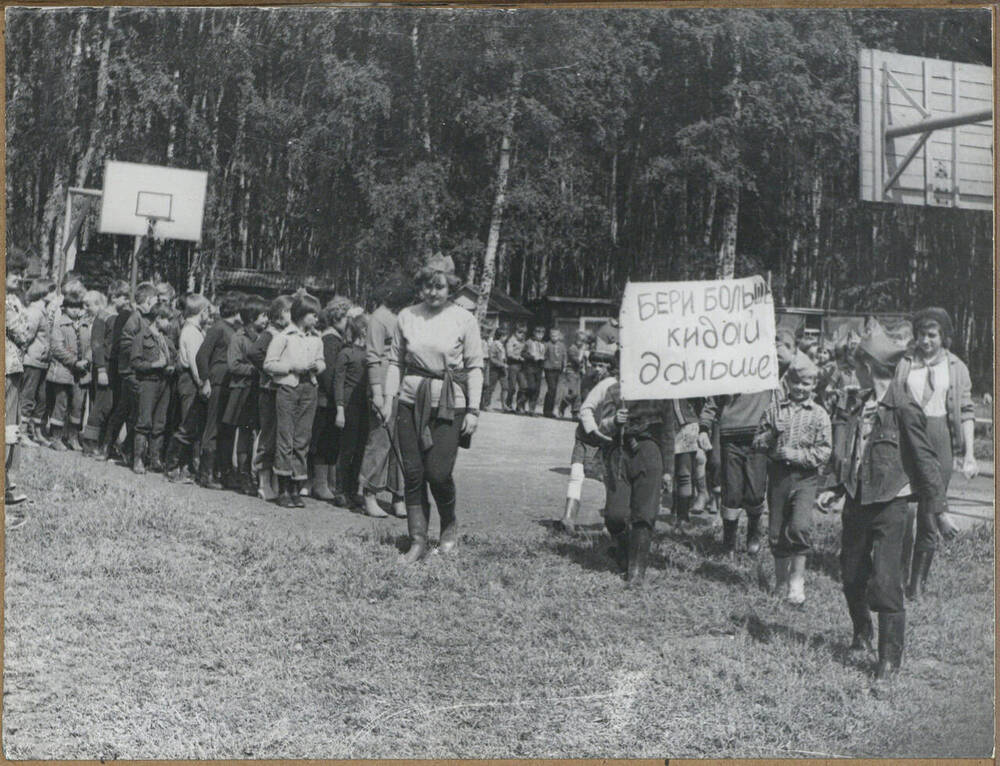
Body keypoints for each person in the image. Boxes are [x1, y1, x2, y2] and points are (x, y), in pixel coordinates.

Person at [818, 327, 954, 680]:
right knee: (851, 576)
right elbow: (848, 451)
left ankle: (888, 661)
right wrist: (834, 486)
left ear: (868, 365)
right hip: (857, 501)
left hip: (892, 503)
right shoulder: (855, 403)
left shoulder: (903, 406)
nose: (853, 371)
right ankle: (861, 632)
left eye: (857, 364)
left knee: (886, 581)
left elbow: (926, 459)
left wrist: (938, 509)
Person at [381, 254, 484, 563]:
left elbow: (475, 367)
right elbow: (395, 362)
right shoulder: (407, 316)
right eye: (427, 286)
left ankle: (449, 525)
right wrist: (388, 400)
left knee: (438, 473)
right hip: (410, 402)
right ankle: (417, 541)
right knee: (412, 474)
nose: (432, 293)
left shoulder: (464, 319)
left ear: (450, 287)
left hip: (450, 405)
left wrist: (474, 411)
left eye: (439, 287)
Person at [894, 307, 977, 599]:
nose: (926, 341)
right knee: (902, 510)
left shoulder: (956, 367)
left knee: (930, 512)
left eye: (932, 335)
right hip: (906, 437)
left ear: (944, 337)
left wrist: (969, 454)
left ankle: (917, 584)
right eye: (921, 335)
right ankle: (898, 572)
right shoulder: (904, 362)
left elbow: (967, 412)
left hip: (939, 435)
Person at [753, 353, 832, 605]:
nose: (800, 388)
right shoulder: (775, 410)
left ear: (814, 386)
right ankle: (780, 581)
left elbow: (825, 451)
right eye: (796, 382)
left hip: (805, 478)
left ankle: (797, 583)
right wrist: (771, 436)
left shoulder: (819, 414)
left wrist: (797, 454)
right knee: (776, 530)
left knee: (798, 527)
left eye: (806, 383)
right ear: (788, 382)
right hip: (778, 477)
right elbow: (757, 442)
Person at [583, 372, 675, 584]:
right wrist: (615, 421)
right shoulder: (615, 390)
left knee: (644, 514)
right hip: (619, 453)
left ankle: (636, 572)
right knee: (615, 516)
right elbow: (602, 426)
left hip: (650, 453)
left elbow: (668, 433)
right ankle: (624, 553)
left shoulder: (661, 392)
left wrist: (668, 470)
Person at [264, 293, 325, 507]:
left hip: (309, 389)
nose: (316, 319)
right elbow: (269, 364)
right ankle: (283, 489)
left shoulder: (317, 339)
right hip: (289, 389)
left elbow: (321, 361)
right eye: (312, 315)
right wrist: (291, 367)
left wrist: (317, 366)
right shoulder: (284, 337)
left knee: (302, 439)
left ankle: (295, 488)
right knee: (285, 438)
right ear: (300, 314)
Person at [699, 386, 775, 555]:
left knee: (755, 494)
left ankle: (753, 533)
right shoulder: (727, 366)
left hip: (758, 435)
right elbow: (712, 401)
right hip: (730, 437)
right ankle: (729, 543)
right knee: (731, 494)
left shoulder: (766, 363)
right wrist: (704, 428)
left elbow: (791, 361)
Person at [359, 277, 412, 519]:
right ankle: (368, 495)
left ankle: (398, 496)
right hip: (383, 384)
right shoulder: (378, 319)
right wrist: (377, 393)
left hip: (404, 386)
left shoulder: (404, 317)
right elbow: (372, 357)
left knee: (402, 445)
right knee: (380, 441)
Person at [557, 350, 615, 533]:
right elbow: (584, 405)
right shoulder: (587, 380)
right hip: (585, 433)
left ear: (610, 368)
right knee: (576, 473)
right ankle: (568, 518)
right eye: (594, 365)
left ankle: (610, 521)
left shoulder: (614, 384)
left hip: (606, 436)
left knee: (608, 478)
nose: (597, 369)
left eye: (602, 366)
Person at [248, 295, 293, 500]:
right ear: (282, 313)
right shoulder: (270, 334)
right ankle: (263, 482)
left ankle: (274, 482)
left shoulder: (287, 333)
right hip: (268, 390)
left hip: (282, 391)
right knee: (267, 435)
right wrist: (268, 371)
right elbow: (254, 353)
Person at [195, 293, 242, 489]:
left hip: (229, 385)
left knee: (226, 428)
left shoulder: (233, 330)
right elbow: (201, 356)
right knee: (213, 427)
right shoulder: (218, 328)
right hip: (217, 383)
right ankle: (205, 475)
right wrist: (205, 381)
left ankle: (222, 472)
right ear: (236, 311)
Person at [223, 296, 268, 494]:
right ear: (251, 317)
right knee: (244, 433)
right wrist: (257, 370)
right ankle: (242, 475)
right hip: (242, 390)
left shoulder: (263, 336)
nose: (266, 319)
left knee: (253, 433)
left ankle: (251, 472)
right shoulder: (238, 338)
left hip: (257, 390)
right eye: (263, 315)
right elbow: (233, 365)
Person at [164, 294, 211, 483]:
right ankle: (172, 466)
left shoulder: (195, 330)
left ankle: (184, 467)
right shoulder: (191, 333)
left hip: (191, 380)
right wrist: (201, 383)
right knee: (187, 424)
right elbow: (194, 361)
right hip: (190, 381)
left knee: (191, 424)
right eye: (207, 310)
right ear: (201, 312)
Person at [311, 296, 352, 501]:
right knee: (324, 441)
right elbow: (329, 375)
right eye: (346, 318)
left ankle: (327, 483)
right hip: (326, 401)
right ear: (337, 317)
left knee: (330, 441)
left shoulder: (336, 340)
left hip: (330, 400)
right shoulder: (330, 341)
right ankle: (320, 484)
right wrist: (338, 401)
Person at [130, 303, 176, 474]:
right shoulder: (141, 338)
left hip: (164, 383)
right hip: (148, 382)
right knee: (144, 422)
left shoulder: (167, 340)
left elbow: (175, 358)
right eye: (167, 320)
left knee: (160, 422)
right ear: (158, 319)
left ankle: (155, 459)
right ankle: (138, 460)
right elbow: (134, 363)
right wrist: (154, 365)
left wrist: (172, 366)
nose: (170, 323)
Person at [46, 284, 90, 452]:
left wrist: (86, 359)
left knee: (77, 405)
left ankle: (72, 436)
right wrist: (74, 361)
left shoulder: (86, 325)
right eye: (72, 307)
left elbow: (93, 345)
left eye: (78, 307)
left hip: (82, 373)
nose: (75, 310)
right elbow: (57, 348)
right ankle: (56, 437)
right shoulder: (60, 324)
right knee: (61, 403)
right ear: (64, 307)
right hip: (64, 371)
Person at [333, 313, 370, 508]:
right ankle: (340, 491)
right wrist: (340, 410)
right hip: (348, 407)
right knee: (347, 449)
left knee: (360, 449)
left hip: (365, 407)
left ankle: (353, 490)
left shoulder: (370, 354)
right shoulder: (346, 353)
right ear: (364, 330)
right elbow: (338, 383)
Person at [6, 272, 33, 516]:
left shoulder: (14, 299)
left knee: (11, 428)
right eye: (13, 271)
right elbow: (22, 332)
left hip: (13, 368)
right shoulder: (7, 302)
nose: (19, 277)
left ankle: (8, 483)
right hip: (7, 368)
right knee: (7, 428)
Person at [19, 277, 55, 447]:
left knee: (40, 397)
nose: (55, 294)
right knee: (28, 396)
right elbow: (26, 335)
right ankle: (22, 432)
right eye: (52, 291)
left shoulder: (43, 310)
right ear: (43, 292)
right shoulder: (35, 311)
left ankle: (35, 431)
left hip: (41, 361)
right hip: (32, 361)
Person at [81, 289, 116, 456]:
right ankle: (89, 443)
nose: (86, 308)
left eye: (88, 305)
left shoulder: (107, 316)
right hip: (104, 368)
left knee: (105, 405)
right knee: (101, 406)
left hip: (109, 368)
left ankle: (99, 442)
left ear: (98, 303)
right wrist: (101, 369)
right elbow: (97, 346)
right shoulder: (101, 319)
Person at [559, 329, 589, 419]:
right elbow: (577, 361)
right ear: (575, 339)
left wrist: (584, 365)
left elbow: (583, 362)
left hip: (578, 372)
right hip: (571, 372)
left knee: (578, 395)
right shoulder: (572, 348)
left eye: (583, 341)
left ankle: (575, 412)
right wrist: (582, 353)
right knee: (573, 393)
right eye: (579, 340)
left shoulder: (580, 349)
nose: (581, 343)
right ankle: (562, 406)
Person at [519, 325, 546, 415]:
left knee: (537, 389)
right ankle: (521, 402)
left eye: (542, 334)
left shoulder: (543, 344)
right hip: (530, 366)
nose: (540, 336)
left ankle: (532, 409)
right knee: (531, 387)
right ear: (534, 333)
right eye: (538, 333)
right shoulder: (528, 342)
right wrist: (532, 357)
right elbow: (523, 354)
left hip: (539, 367)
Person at [542, 327, 567, 418]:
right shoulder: (547, 345)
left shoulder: (562, 345)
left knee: (555, 390)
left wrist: (564, 366)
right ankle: (547, 410)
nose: (554, 337)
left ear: (559, 336)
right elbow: (543, 356)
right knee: (551, 389)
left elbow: (564, 356)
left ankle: (551, 410)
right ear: (550, 336)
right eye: (552, 335)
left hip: (558, 369)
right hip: (549, 369)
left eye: (556, 335)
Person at [483, 326, 507, 412]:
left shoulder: (502, 345)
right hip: (495, 369)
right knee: (491, 387)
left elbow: (503, 356)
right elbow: (492, 358)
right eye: (504, 336)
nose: (505, 338)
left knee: (505, 386)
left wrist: (504, 363)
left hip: (502, 368)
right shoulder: (494, 344)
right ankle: (486, 405)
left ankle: (504, 405)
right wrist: (501, 364)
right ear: (500, 336)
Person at [504, 323, 526, 413]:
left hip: (521, 366)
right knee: (512, 387)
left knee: (523, 386)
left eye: (523, 332)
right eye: (519, 332)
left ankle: (519, 405)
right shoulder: (511, 341)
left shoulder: (523, 341)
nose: (521, 334)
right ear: (515, 332)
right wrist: (518, 357)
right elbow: (509, 354)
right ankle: (508, 404)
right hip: (513, 365)